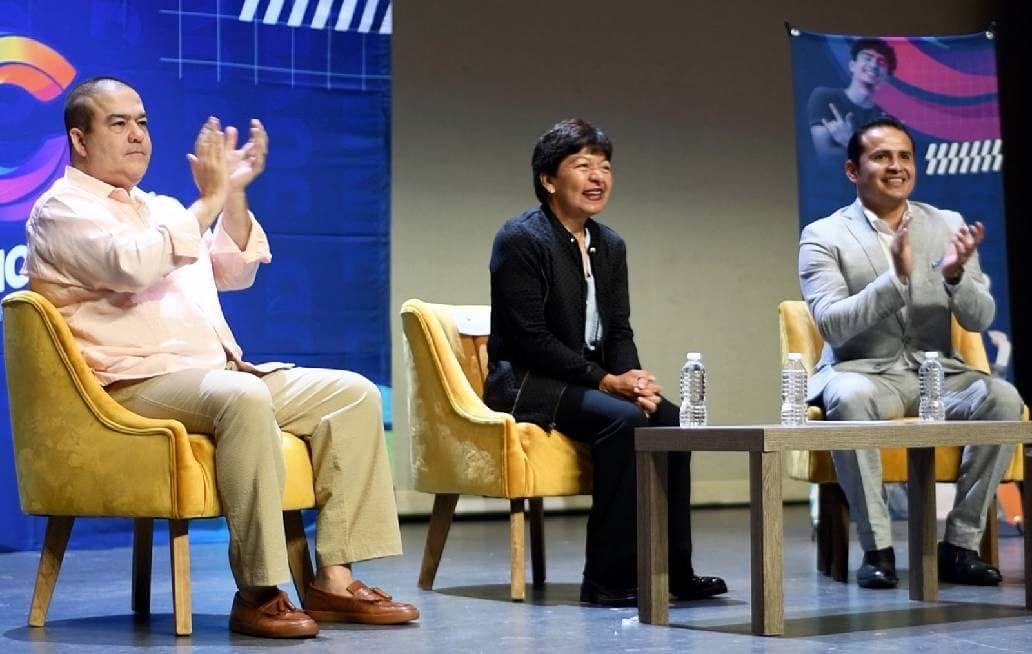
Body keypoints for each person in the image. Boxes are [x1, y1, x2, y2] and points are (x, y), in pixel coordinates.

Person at [23, 77, 418, 638]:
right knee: (242, 397)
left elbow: (235, 270)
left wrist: (231, 193)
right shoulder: (59, 211)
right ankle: (259, 590)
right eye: (118, 124)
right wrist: (206, 200)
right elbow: (131, 265)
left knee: (350, 394)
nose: (137, 135)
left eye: (142, 122)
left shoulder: (159, 207)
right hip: (129, 386)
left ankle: (333, 580)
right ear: (79, 140)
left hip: (212, 376)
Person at [483, 118, 727, 607]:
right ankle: (608, 579)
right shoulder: (521, 238)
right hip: (527, 381)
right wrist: (608, 382)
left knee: (670, 419)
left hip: (586, 380)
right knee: (623, 421)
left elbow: (618, 330)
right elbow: (530, 340)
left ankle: (675, 570)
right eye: (583, 166)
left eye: (605, 167)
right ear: (549, 180)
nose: (598, 177)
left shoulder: (610, 245)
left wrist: (635, 381)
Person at [798, 116, 1023, 589]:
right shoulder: (823, 235)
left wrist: (958, 277)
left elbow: (979, 319)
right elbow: (832, 323)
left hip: (935, 374)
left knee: (1002, 398)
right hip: (862, 371)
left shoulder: (948, 225)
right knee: (851, 397)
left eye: (904, 157)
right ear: (853, 171)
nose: (896, 166)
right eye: (881, 157)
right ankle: (876, 548)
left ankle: (959, 546)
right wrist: (895, 280)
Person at [807, 38, 896, 165]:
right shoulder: (824, 97)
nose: (873, 65)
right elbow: (825, 156)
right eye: (867, 58)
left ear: (886, 76)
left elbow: (882, 167)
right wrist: (869, 153)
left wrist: (849, 141)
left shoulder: (887, 121)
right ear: (852, 65)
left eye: (881, 62)